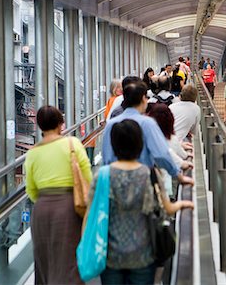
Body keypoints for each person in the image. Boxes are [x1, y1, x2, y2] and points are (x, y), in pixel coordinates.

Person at [94, 119, 193, 284]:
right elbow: (166, 208)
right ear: (140, 143)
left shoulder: (102, 176)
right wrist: (182, 204)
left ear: (113, 144)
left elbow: (91, 212)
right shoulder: (149, 174)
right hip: (143, 254)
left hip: (110, 255)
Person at [25, 105, 92, 284]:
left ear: (40, 126)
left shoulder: (32, 153)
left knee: (45, 261)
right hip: (68, 207)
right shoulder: (72, 144)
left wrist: (45, 199)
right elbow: (87, 176)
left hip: (41, 210)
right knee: (69, 261)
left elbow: (30, 189)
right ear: (60, 124)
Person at [101, 81, 193, 186]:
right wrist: (177, 174)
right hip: (142, 183)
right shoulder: (148, 123)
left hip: (114, 183)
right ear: (142, 99)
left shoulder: (111, 124)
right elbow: (161, 154)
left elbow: (107, 157)